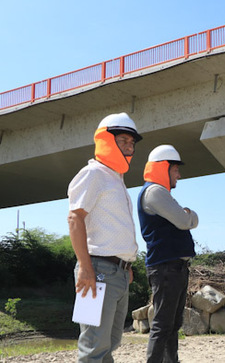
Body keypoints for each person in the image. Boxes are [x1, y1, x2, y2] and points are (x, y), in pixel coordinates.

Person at [67, 112, 143, 362]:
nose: (129, 147)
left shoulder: (116, 179)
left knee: (110, 342)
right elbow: (75, 218)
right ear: (106, 140)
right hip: (97, 271)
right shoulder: (94, 173)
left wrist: (126, 264)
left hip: (118, 273)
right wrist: (86, 268)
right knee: (93, 347)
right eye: (123, 140)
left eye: (132, 143)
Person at [138, 145, 198, 363]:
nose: (179, 175)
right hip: (166, 268)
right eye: (175, 170)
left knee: (172, 325)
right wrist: (189, 215)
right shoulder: (154, 192)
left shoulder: (161, 193)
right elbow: (185, 221)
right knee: (163, 325)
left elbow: (185, 221)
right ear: (163, 168)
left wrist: (186, 217)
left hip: (174, 268)